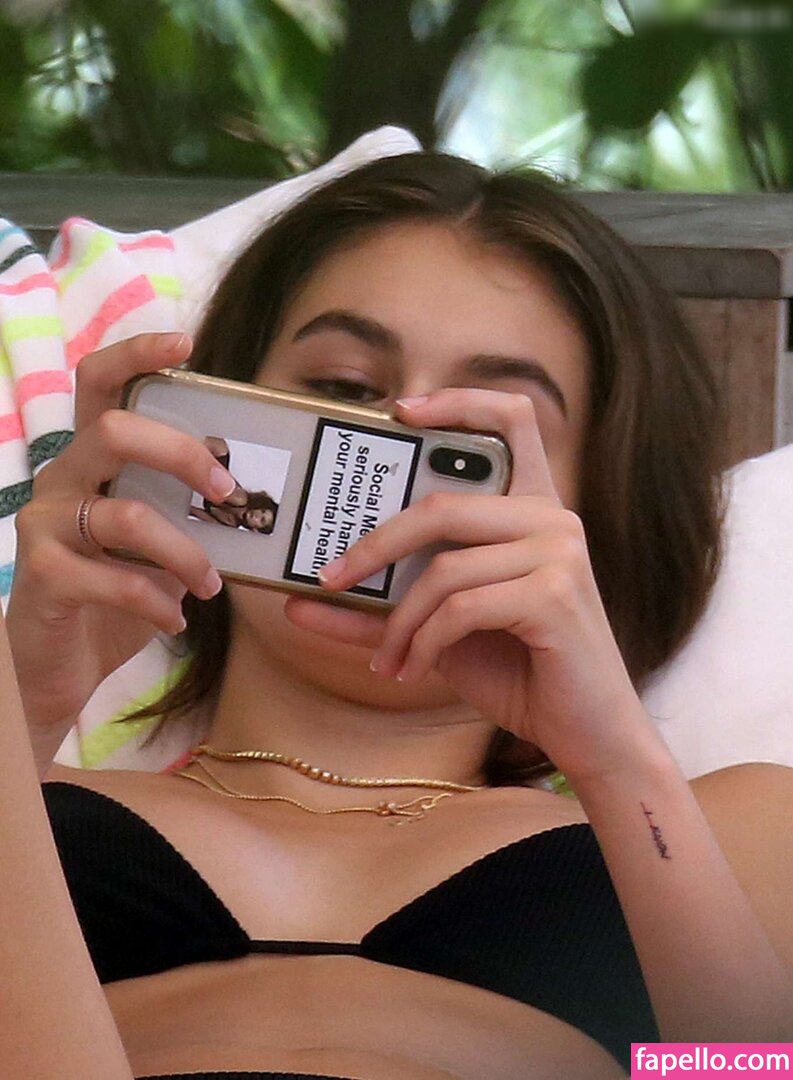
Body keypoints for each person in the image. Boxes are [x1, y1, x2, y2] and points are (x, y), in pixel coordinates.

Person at [4, 152, 792, 1080]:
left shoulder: (722, 829)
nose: (389, 452)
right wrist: (21, 707)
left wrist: (616, 760)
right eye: (341, 391)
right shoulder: (35, 783)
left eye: (478, 441)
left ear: (600, 518)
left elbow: (740, 1073)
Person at [189, 436, 279, 533]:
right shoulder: (240, 500)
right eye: (262, 511)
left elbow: (193, 511)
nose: (257, 515)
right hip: (217, 454)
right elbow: (207, 477)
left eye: (262, 520)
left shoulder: (229, 526)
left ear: (256, 529)